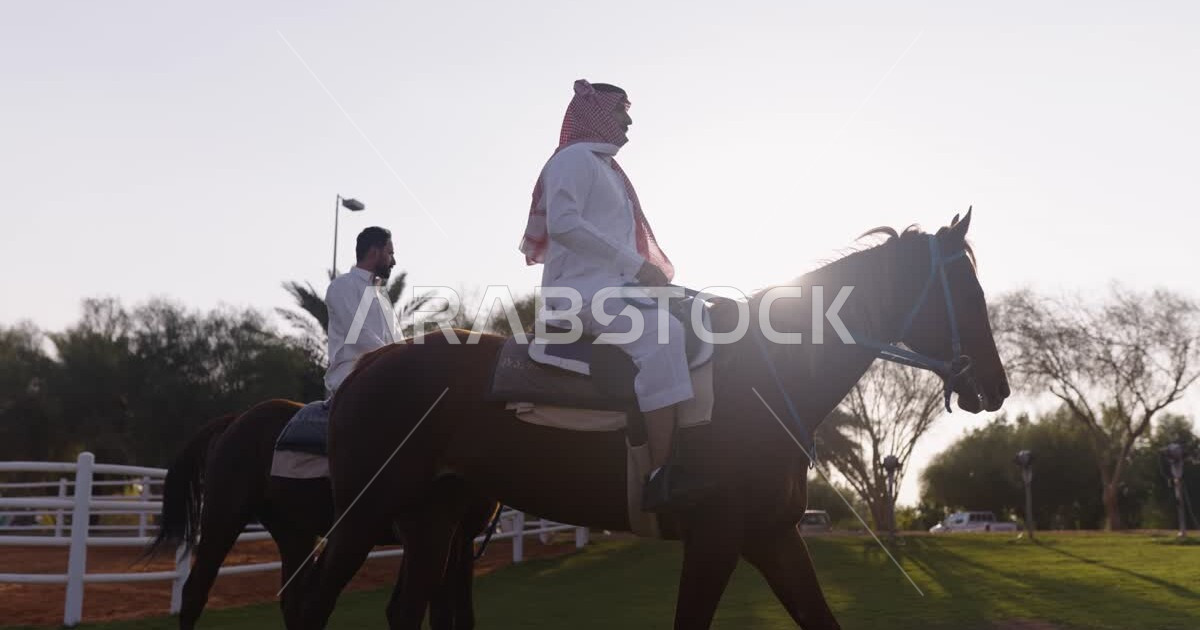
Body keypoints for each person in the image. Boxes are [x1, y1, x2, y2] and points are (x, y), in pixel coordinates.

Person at [520, 79, 693, 511]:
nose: (629, 119)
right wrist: (638, 267)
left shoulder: (606, 169)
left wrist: (641, 277)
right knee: (664, 336)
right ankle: (661, 473)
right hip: (579, 296)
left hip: (613, 291)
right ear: (597, 114)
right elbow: (563, 224)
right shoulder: (575, 159)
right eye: (621, 111)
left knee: (698, 319)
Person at [325, 226, 397, 396]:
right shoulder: (342, 285)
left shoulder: (382, 297)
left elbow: (396, 341)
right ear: (374, 252)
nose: (394, 262)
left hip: (384, 373)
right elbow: (356, 332)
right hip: (351, 378)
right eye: (390, 253)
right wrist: (395, 356)